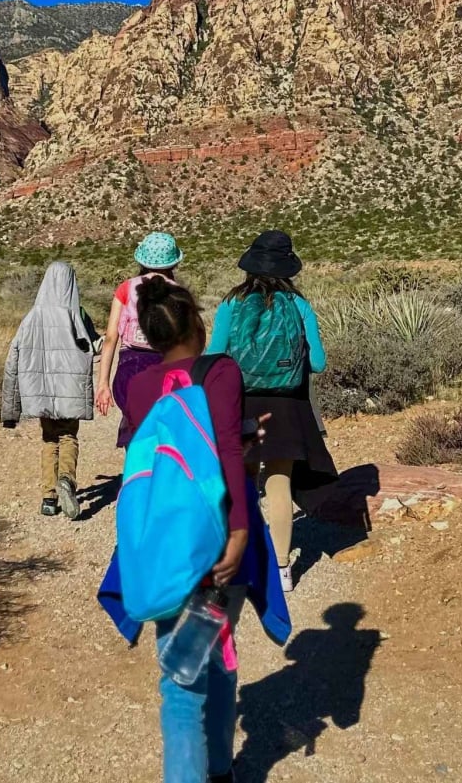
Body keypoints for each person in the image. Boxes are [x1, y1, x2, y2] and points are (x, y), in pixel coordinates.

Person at [111, 275, 286, 783]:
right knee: (207, 665)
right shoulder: (222, 371)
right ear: (197, 322)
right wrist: (237, 532)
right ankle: (216, 770)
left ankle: (212, 770)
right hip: (216, 538)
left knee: (184, 670)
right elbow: (226, 451)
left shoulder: (140, 387)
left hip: (164, 539)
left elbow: (169, 457)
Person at [207, 230, 336, 592]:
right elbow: (320, 363)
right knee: (279, 482)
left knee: (244, 482)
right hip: (287, 407)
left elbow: (215, 355)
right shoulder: (299, 305)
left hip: (240, 403)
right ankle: (282, 569)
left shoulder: (231, 304)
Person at [1, 261, 101, 520]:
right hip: (70, 391)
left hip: (41, 391)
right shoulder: (77, 314)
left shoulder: (32, 317)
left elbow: (13, 359)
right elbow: (93, 345)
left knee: (49, 439)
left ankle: (48, 497)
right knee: (68, 436)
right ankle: (66, 480)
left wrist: (10, 412)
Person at [95, 231, 183, 448]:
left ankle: (136, 475)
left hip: (129, 367)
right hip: (165, 366)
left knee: (135, 430)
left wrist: (103, 384)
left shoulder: (126, 288)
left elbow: (110, 338)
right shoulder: (179, 292)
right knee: (162, 432)